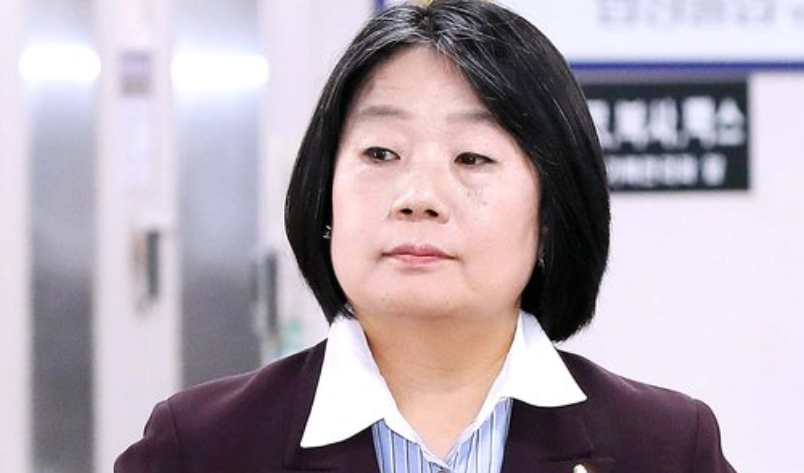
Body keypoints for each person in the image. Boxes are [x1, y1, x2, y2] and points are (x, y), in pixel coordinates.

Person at [116, 1, 737, 472]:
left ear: (550, 213)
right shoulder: (200, 448)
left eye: (473, 158)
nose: (419, 196)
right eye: (381, 153)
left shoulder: (665, 448)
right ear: (325, 193)